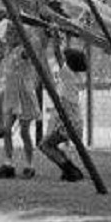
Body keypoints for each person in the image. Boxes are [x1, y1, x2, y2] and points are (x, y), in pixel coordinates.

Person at [0, 19, 40, 179]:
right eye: (8, 33)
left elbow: (31, 47)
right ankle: (8, 163)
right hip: (11, 93)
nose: (9, 36)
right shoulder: (8, 49)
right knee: (6, 130)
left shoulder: (23, 50)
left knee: (24, 132)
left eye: (13, 33)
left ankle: (29, 164)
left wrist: (28, 30)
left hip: (23, 93)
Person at [38, 40, 86, 182]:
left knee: (45, 145)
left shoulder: (68, 75)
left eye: (66, 60)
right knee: (50, 144)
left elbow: (59, 55)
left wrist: (54, 37)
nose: (63, 62)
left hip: (70, 122)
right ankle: (71, 170)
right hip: (74, 121)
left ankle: (70, 170)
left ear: (70, 64)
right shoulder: (76, 76)